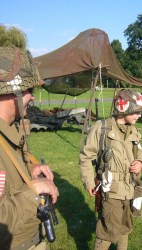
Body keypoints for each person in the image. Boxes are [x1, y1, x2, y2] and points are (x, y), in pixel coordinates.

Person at [0, 46, 59, 250]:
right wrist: (33, 191)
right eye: (29, 90)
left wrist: (28, 169)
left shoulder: (8, 131)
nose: (33, 97)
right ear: (11, 92)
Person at [80, 89, 142, 250]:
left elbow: (141, 151)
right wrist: (89, 182)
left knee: (125, 227)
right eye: (136, 112)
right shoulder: (102, 128)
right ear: (123, 109)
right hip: (110, 189)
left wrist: (141, 162)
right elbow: (86, 156)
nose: (139, 115)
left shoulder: (133, 130)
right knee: (108, 230)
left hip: (129, 188)